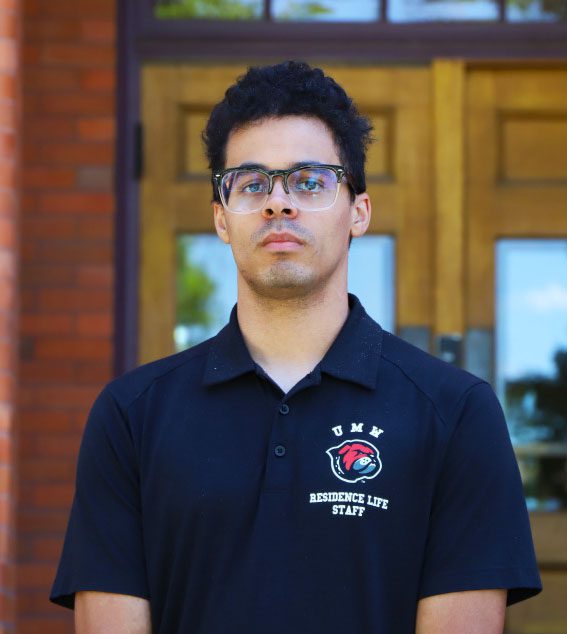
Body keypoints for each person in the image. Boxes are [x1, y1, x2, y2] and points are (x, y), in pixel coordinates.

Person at [51, 60, 541, 633]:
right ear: (221, 220)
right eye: (251, 183)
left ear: (358, 212)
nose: (278, 203)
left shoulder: (456, 412)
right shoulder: (132, 415)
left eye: (310, 181)